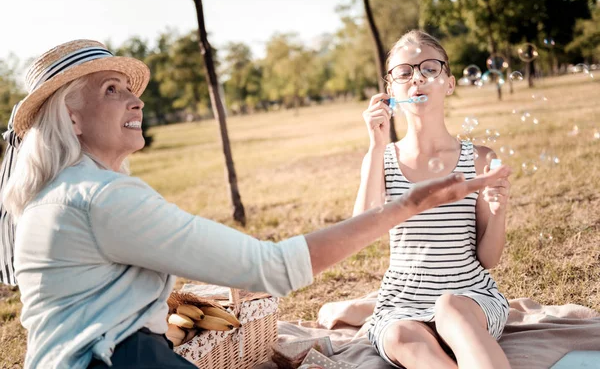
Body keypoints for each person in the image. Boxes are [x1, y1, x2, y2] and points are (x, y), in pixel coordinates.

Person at [0, 39, 509, 369]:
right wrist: (405, 206)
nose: (136, 101)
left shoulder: (63, 192)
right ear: (71, 120)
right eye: (113, 90)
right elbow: (267, 267)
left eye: (131, 90)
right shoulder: (102, 198)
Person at [354, 30, 512, 369]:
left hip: (469, 298)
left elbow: (488, 258)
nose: (417, 79)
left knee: (449, 306)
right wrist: (377, 146)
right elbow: (359, 232)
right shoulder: (381, 158)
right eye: (404, 72)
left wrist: (498, 213)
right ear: (390, 91)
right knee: (399, 337)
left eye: (429, 68)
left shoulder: (479, 159)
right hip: (401, 304)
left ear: (450, 83)